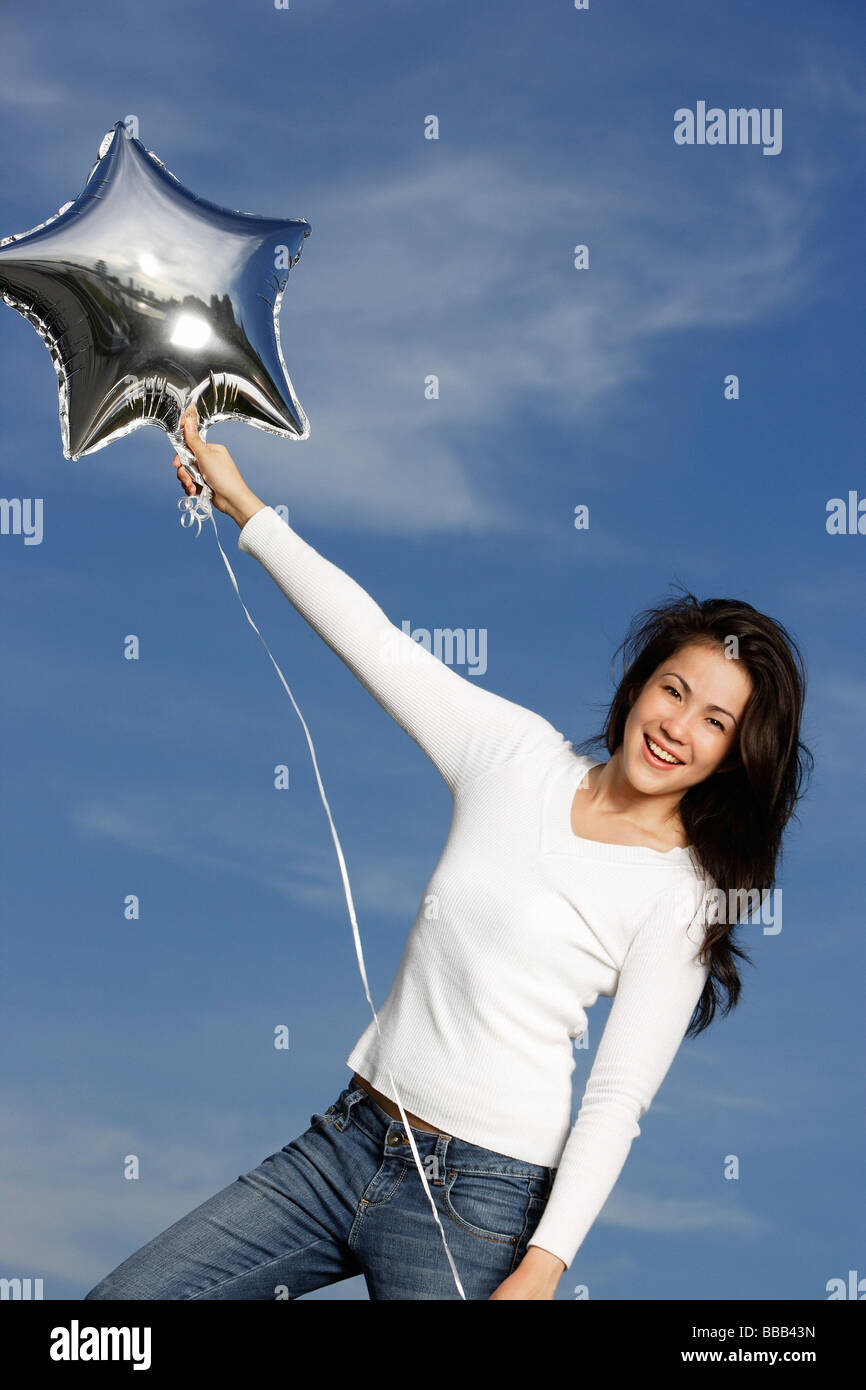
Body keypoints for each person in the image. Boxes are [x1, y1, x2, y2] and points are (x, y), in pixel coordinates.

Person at [84, 408, 812, 1301]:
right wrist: (245, 506)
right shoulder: (514, 755)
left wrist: (542, 1268)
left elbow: (617, 1099)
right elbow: (380, 645)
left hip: (482, 1198)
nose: (678, 727)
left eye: (716, 722)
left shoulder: (682, 896)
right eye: (674, 690)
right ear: (638, 689)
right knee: (118, 1318)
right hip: (346, 1141)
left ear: (736, 756)